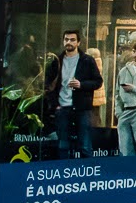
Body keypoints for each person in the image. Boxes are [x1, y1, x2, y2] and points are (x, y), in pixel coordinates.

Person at [44, 30, 102, 160]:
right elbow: (49, 85)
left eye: (72, 40)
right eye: (66, 39)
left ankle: (87, 170)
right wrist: (55, 105)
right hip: (62, 107)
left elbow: (98, 82)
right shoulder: (57, 61)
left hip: (82, 108)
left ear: (78, 42)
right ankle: (65, 170)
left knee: (85, 145)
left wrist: (81, 84)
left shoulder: (87, 60)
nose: (69, 42)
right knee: (63, 145)